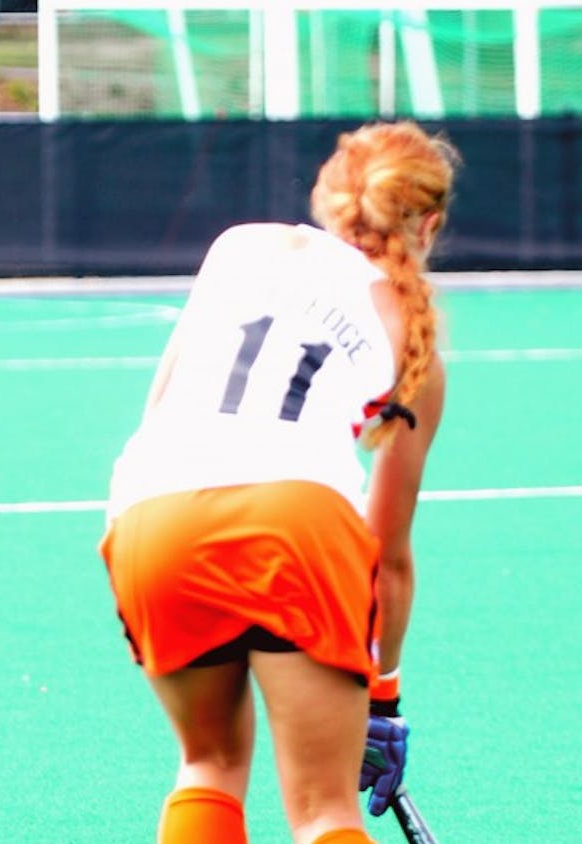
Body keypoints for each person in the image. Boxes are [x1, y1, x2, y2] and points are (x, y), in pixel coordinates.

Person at [98, 121, 458, 844]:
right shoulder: (414, 341)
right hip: (296, 522)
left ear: (329, 195)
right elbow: (387, 556)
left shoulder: (239, 245)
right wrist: (381, 696)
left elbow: (157, 408)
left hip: (151, 512)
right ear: (431, 224)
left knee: (208, 764)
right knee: (325, 811)